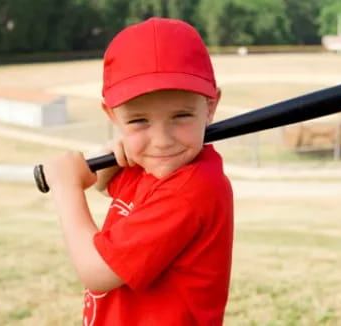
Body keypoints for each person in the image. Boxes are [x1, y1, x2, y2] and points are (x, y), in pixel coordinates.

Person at [43, 17, 234, 326]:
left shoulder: (189, 189)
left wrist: (67, 189)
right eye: (139, 121)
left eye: (181, 115)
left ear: (211, 106)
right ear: (112, 115)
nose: (161, 141)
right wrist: (109, 160)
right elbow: (115, 192)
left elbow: (96, 271)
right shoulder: (162, 167)